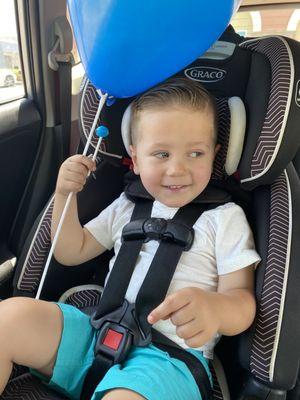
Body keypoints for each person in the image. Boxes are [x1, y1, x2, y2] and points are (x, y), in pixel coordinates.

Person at [0, 77, 260, 400]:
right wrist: (65, 195)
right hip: (98, 334)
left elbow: (243, 301)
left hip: (167, 361)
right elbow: (70, 250)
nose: (177, 169)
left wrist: (216, 310)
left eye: (195, 153)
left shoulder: (225, 218)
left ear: (215, 154)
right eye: (162, 154)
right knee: (8, 318)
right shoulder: (128, 205)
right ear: (135, 159)